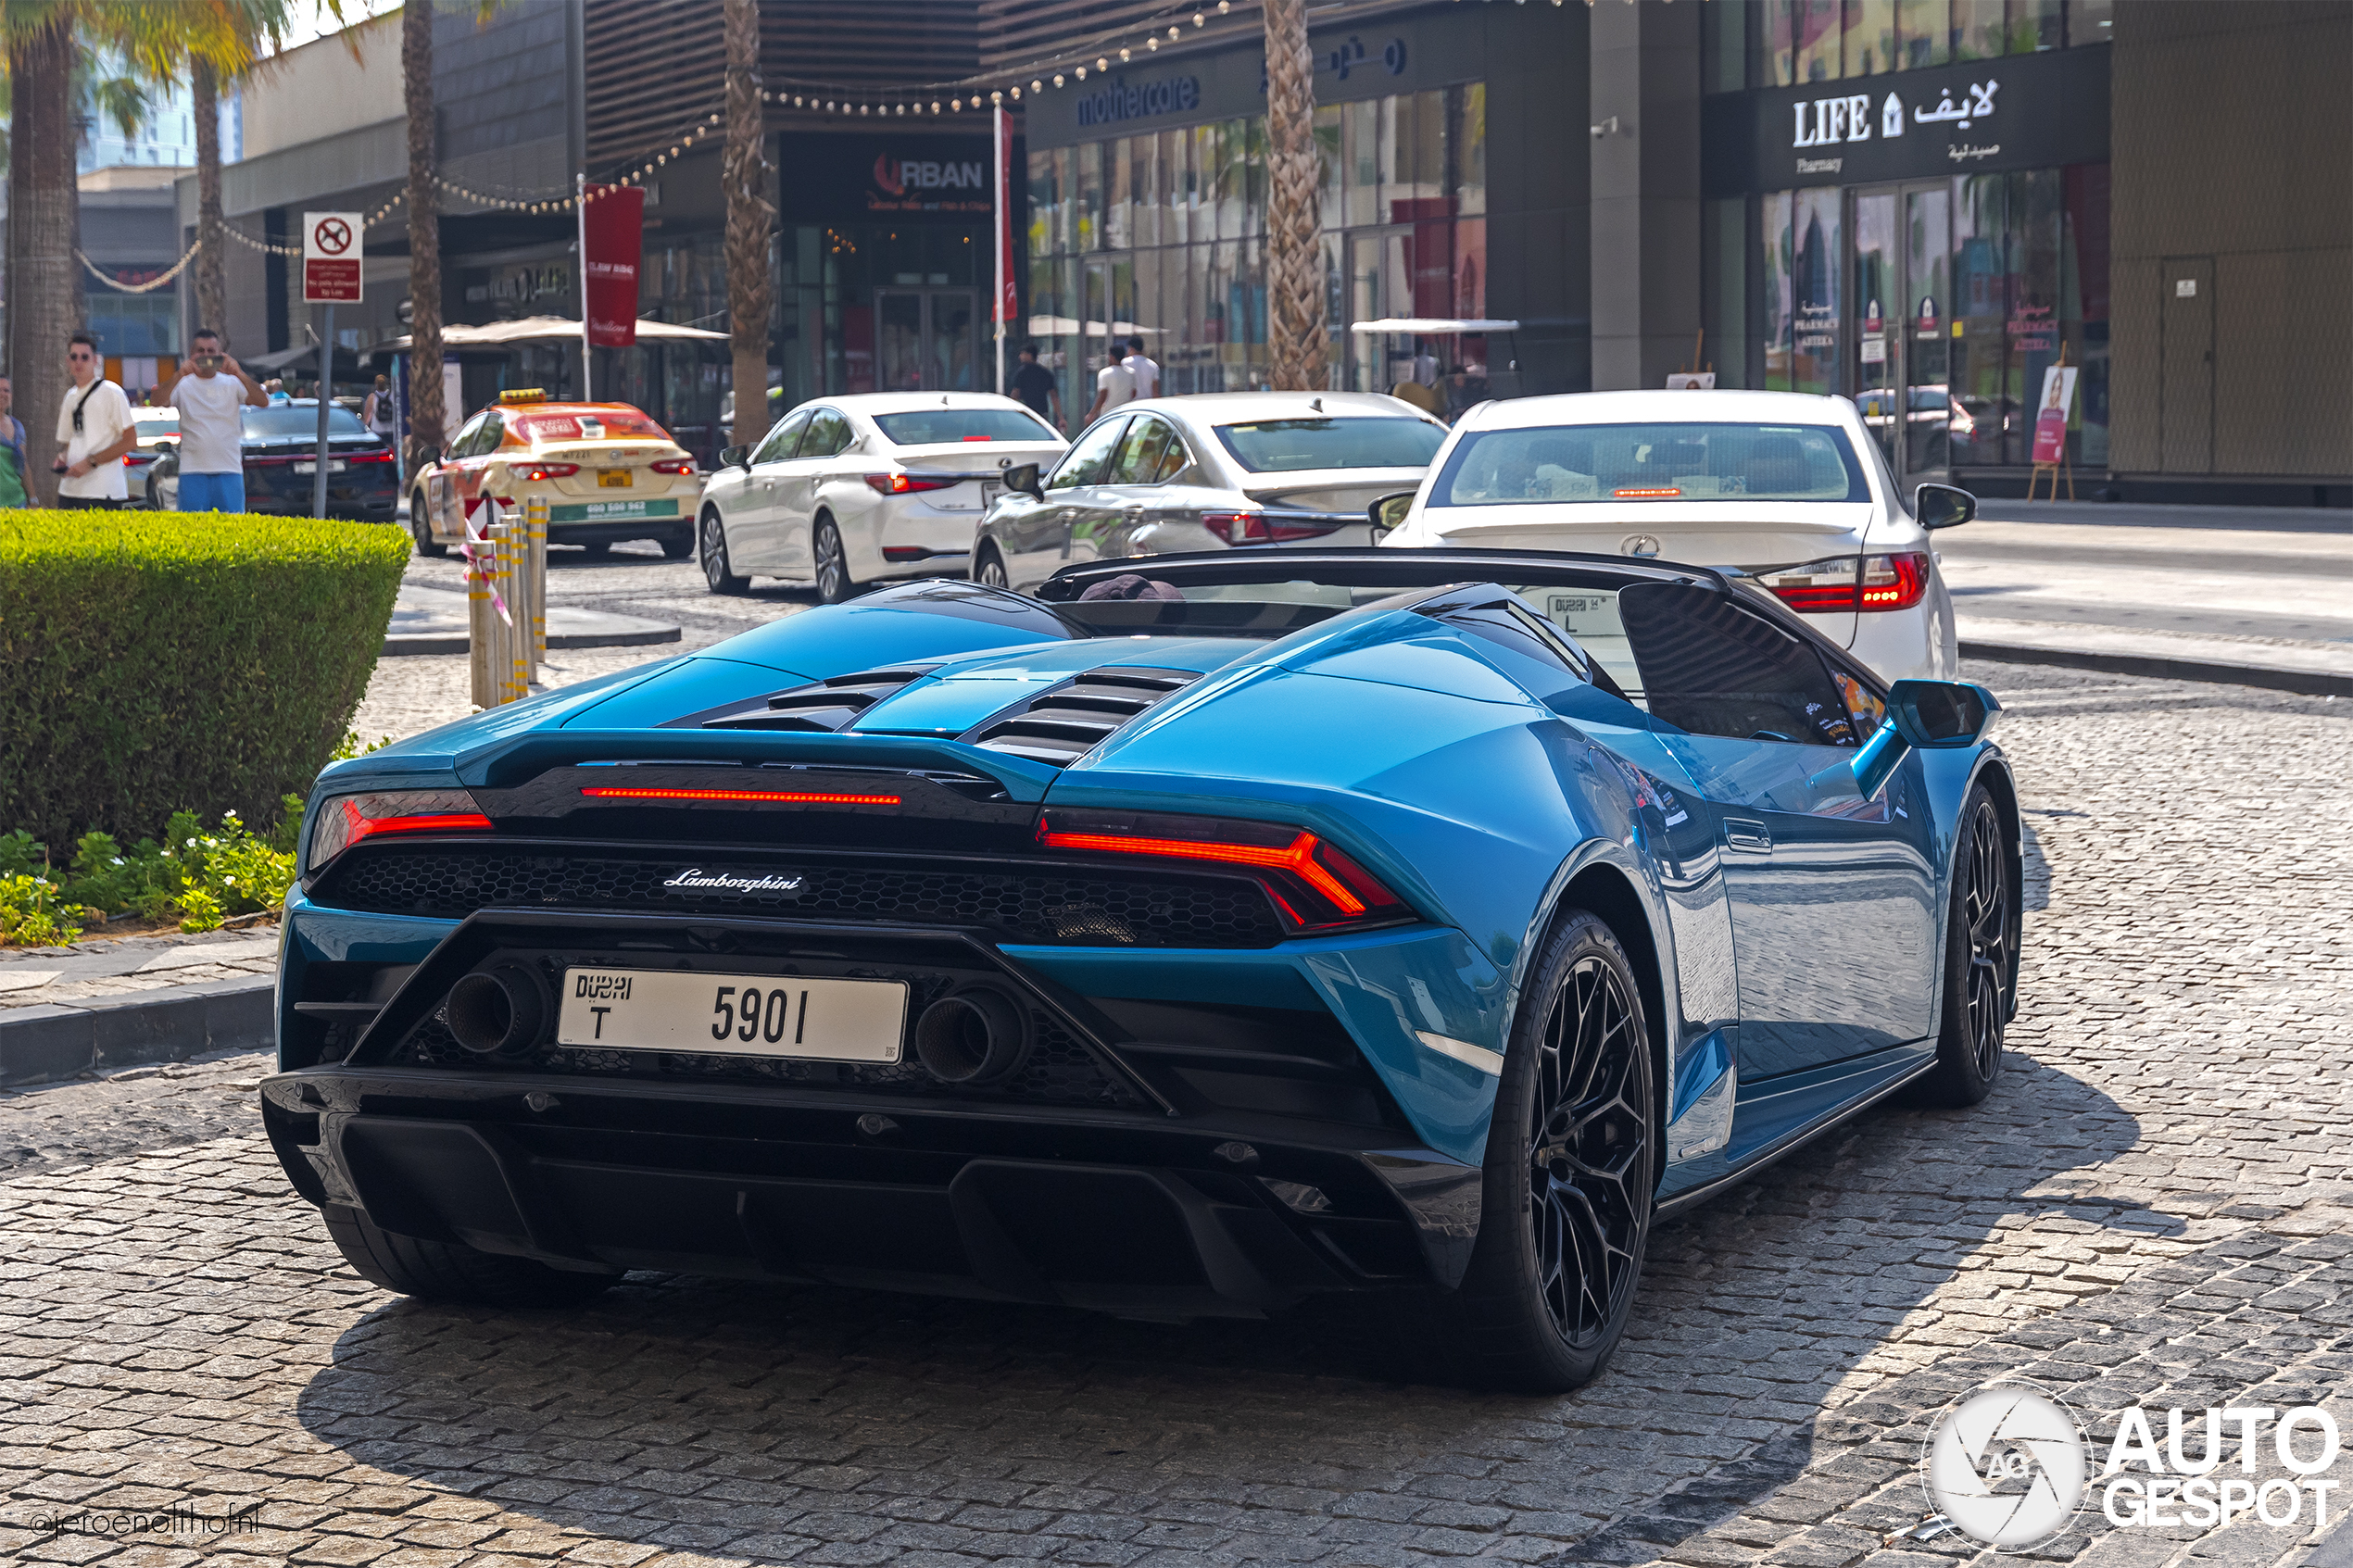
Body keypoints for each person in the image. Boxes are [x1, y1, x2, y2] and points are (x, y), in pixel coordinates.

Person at [165, 328, 267, 514]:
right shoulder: (183, 384)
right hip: (192, 471)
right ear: (191, 354)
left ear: (220, 354)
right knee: (192, 531)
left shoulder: (233, 383)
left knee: (232, 530)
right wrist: (179, 374)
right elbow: (157, 401)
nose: (206, 356)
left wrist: (239, 373)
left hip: (229, 470)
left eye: (211, 351)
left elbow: (263, 401)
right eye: (200, 351)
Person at [52, 333, 136, 510]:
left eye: (85, 357)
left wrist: (91, 462)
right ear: (68, 361)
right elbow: (70, 441)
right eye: (74, 357)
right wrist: (62, 459)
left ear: (95, 360)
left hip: (104, 491)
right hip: (70, 490)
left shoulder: (112, 392)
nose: (79, 362)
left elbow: (130, 441)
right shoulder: (70, 397)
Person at [0, 376, 35, 508]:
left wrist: (33, 499)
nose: (3, 394)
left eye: (6, 390)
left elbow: (24, 465)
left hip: (17, 504)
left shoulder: (17, 427)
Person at [1010, 343, 1061, 428]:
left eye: (1022, 354)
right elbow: (1054, 396)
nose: (1020, 357)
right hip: (1042, 412)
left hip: (1025, 412)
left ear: (1029, 355)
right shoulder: (1045, 373)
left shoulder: (1021, 373)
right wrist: (1060, 417)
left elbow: (1015, 393)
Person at [1082, 346, 1136, 427]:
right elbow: (1134, 393)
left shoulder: (1105, 373)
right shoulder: (1131, 373)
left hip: (1109, 414)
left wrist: (1092, 413)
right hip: (1125, 412)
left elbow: (1102, 396)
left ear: (1112, 357)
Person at [1123, 334, 1160, 400]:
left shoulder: (1124, 363)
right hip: (1147, 404)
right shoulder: (1153, 365)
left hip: (1130, 403)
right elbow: (1155, 391)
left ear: (1131, 348)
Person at [362, 373, 396, 443]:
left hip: (377, 429)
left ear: (376, 384)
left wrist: (364, 426)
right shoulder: (393, 396)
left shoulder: (372, 397)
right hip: (391, 428)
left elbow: (367, 415)